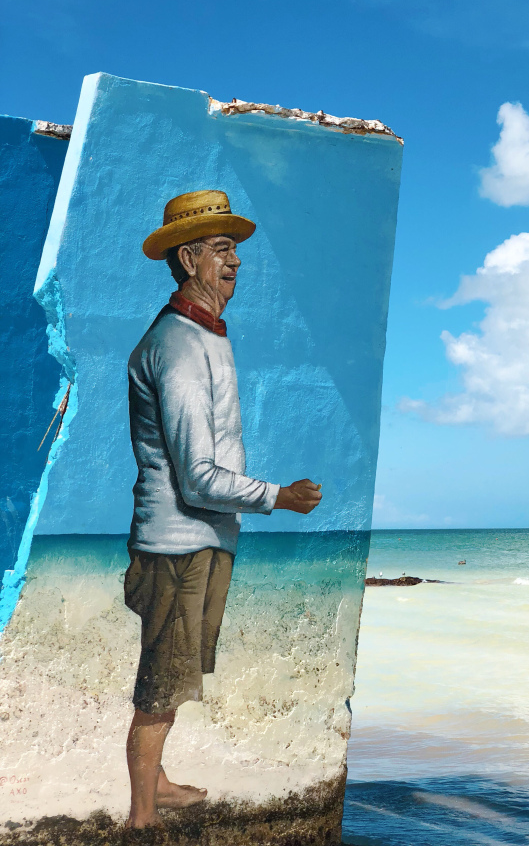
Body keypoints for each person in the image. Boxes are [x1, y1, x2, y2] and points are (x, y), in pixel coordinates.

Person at [124, 189, 322, 828]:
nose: (235, 261)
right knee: (159, 686)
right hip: (178, 543)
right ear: (187, 259)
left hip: (201, 540)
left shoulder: (203, 333)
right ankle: (141, 817)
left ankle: (158, 786)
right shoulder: (179, 345)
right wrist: (278, 497)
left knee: (176, 675)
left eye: (235, 250)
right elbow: (198, 477)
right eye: (219, 249)